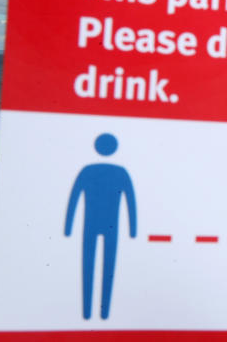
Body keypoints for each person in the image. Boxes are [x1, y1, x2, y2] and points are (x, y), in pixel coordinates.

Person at [65, 133, 137, 320]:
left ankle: (88, 313)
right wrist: (133, 229)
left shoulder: (87, 171)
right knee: (109, 267)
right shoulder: (121, 172)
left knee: (87, 266)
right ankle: (104, 314)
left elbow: (73, 199)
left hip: (91, 223)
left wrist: (68, 227)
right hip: (111, 225)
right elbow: (131, 203)